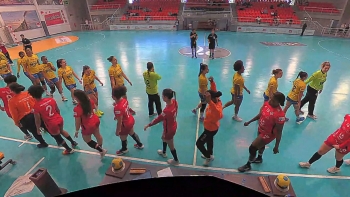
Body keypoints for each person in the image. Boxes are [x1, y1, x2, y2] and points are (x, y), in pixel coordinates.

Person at [238, 92, 286, 172]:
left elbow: (279, 131)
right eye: (270, 98)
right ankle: (259, 158)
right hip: (261, 128)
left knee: (252, 148)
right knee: (260, 145)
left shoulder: (280, 115)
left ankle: (248, 165)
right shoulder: (267, 104)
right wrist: (249, 122)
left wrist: (276, 146)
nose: (270, 101)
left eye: (273, 100)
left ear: (278, 103)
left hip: (268, 134)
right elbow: (260, 115)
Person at [28, 85, 76, 155]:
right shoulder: (51, 99)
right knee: (62, 131)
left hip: (51, 123)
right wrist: (57, 117)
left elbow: (37, 120)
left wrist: (38, 129)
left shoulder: (36, 107)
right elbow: (57, 110)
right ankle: (73, 142)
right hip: (59, 118)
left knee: (58, 137)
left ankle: (68, 149)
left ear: (32, 95)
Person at [144, 89, 179, 165]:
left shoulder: (167, 111)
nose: (162, 97)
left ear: (166, 97)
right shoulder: (175, 102)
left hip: (169, 130)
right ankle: (164, 152)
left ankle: (176, 160)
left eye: (163, 96)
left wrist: (148, 125)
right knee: (163, 138)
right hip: (172, 125)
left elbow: (158, 119)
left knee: (171, 145)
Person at [8, 83, 48, 148]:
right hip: (36, 113)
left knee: (34, 131)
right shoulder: (28, 93)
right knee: (46, 126)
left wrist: (17, 122)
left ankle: (43, 143)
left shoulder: (11, 101)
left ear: (12, 91)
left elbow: (14, 114)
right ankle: (59, 140)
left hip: (26, 119)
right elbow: (36, 101)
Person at [196, 77, 223, 166]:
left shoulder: (216, 106)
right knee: (209, 141)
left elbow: (219, 115)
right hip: (208, 127)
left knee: (199, 143)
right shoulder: (215, 97)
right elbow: (213, 90)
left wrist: (210, 103)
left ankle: (208, 157)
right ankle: (210, 153)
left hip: (211, 129)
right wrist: (212, 82)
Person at [73, 90, 107, 158]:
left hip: (88, 126)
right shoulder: (90, 101)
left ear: (77, 98)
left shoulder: (77, 109)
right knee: (98, 135)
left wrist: (77, 130)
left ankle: (101, 150)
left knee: (87, 140)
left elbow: (78, 121)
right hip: (95, 120)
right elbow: (94, 108)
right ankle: (101, 148)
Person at [112, 86, 144, 155]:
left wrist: (118, 130)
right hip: (130, 119)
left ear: (114, 97)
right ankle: (140, 144)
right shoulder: (124, 100)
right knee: (132, 133)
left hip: (125, 124)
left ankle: (124, 149)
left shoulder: (117, 107)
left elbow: (119, 121)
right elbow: (124, 110)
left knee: (123, 137)